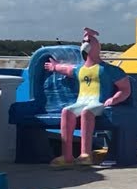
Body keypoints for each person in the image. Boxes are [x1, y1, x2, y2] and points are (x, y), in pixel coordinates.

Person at [45, 28, 131, 167]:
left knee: (87, 113)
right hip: (82, 101)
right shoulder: (80, 69)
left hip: (98, 102)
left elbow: (125, 88)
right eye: (84, 41)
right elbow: (67, 69)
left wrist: (114, 99)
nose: (85, 43)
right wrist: (54, 67)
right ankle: (66, 156)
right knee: (66, 112)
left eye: (89, 41)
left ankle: (86, 154)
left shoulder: (107, 69)